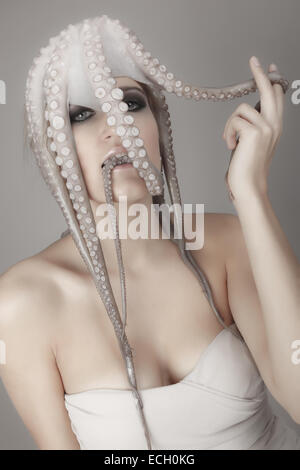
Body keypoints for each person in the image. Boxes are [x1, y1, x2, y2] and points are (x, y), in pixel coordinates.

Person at [0, 14, 299, 450]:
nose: (116, 128)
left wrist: (252, 194)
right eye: (81, 114)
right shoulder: (22, 304)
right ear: (52, 149)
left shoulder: (228, 244)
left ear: (158, 125)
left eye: (131, 102)